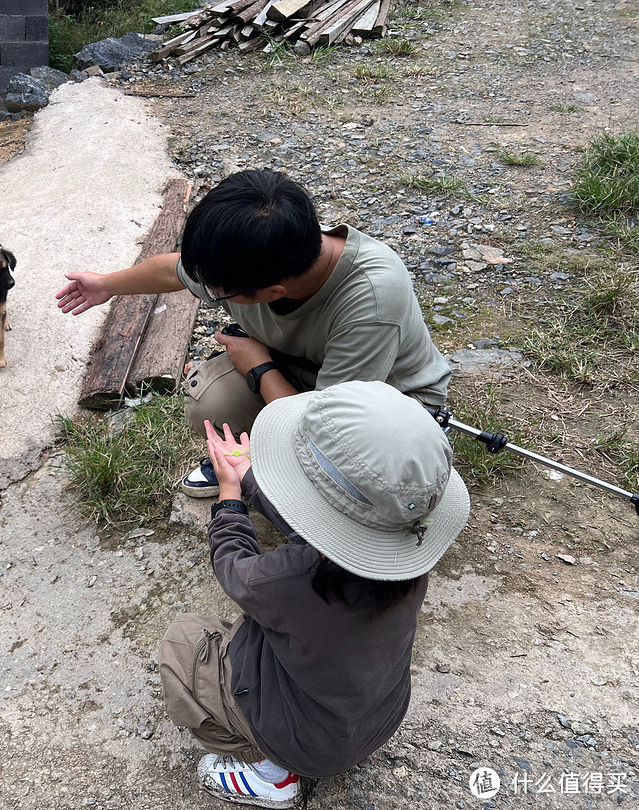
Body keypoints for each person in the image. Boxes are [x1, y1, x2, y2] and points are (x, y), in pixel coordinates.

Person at [158, 380, 470, 808]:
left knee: (183, 638)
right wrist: (250, 479)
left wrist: (230, 497)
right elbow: (339, 531)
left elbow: (233, 567)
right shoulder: (409, 567)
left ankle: (270, 774)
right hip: (377, 721)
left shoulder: (290, 579)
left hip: (304, 744)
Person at [54, 171, 452, 498]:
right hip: (299, 371)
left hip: (384, 401)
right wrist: (105, 285)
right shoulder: (251, 258)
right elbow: (170, 270)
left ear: (273, 292)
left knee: (338, 471)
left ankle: (273, 474)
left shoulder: (372, 300)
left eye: (216, 293)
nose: (207, 292)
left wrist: (259, 368)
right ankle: (265, 456)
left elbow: (329, 428)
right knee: (210, 402)